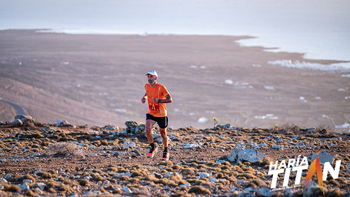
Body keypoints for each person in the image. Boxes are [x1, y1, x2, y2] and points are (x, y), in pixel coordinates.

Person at [141, 71, 172, 160]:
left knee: (163, 134)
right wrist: (144, 98)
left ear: (155, 78)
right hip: (151, 112)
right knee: (147, 128)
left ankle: (166, 150)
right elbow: (147, 93)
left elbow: (170, 99)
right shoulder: (146, 86)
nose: (149, 78)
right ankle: (153, 147)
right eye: (148, 77)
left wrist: (158, 101)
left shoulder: (161, 87)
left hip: (161, 114)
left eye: (151, 77)